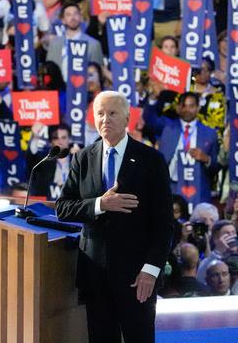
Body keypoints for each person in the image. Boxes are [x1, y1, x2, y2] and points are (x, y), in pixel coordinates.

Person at [56, 91, 174, 343]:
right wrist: (100, 204)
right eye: (100, 113)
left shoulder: (151, 160)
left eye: (112, 113)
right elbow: (63, 208)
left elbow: (164, 224)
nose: (105, 119)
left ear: (127, 118)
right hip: (95, 276)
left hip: (136, 277)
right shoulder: (82, 158)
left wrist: (151, 270)